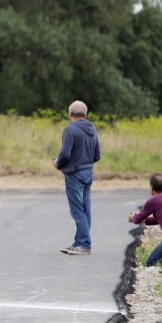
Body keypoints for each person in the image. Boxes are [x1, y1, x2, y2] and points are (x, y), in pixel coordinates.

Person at [53, 100, 101, 255]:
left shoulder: (70, 130)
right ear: (85, 114)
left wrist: (58, 163)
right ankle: (78, 242)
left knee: (77, 211)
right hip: (88, 173)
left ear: (70, 114)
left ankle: (85, 245)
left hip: (74, 174)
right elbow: (97, 155)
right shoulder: (92, 129)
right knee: (86, 210)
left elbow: (65, 153)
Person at [129, 173, 162, 266]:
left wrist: (133, 216)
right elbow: (157, 220)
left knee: (150, 263)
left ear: (152, 188)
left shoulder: (153, 200)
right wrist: (144, 220)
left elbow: (137, 219)